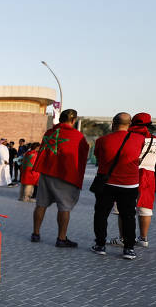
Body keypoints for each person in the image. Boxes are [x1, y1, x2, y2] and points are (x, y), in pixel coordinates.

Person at [31, 109, 89, 247]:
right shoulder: (77, 136)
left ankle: (35, 234)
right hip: (64, 175)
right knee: (64, 207)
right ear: (73, 121)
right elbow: (83, 153)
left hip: (46, 173)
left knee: (41, 204)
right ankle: (61, 238)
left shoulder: (50, 132)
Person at [90, 112, 146, 259]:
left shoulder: (102, 140)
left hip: (107, 184)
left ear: (113, 123)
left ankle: (100, 245)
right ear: (130, 125)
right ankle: (129, 249)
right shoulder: (140, 139)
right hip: (130, 184)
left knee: (101, 214)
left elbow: (99, 158)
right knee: (128, 216)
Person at [106, 113, 156, 248]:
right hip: (149, 175)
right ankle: (143, 238)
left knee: (123, 207)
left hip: (131, 173)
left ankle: (122, 238)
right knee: (145, 208)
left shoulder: (130, 137)